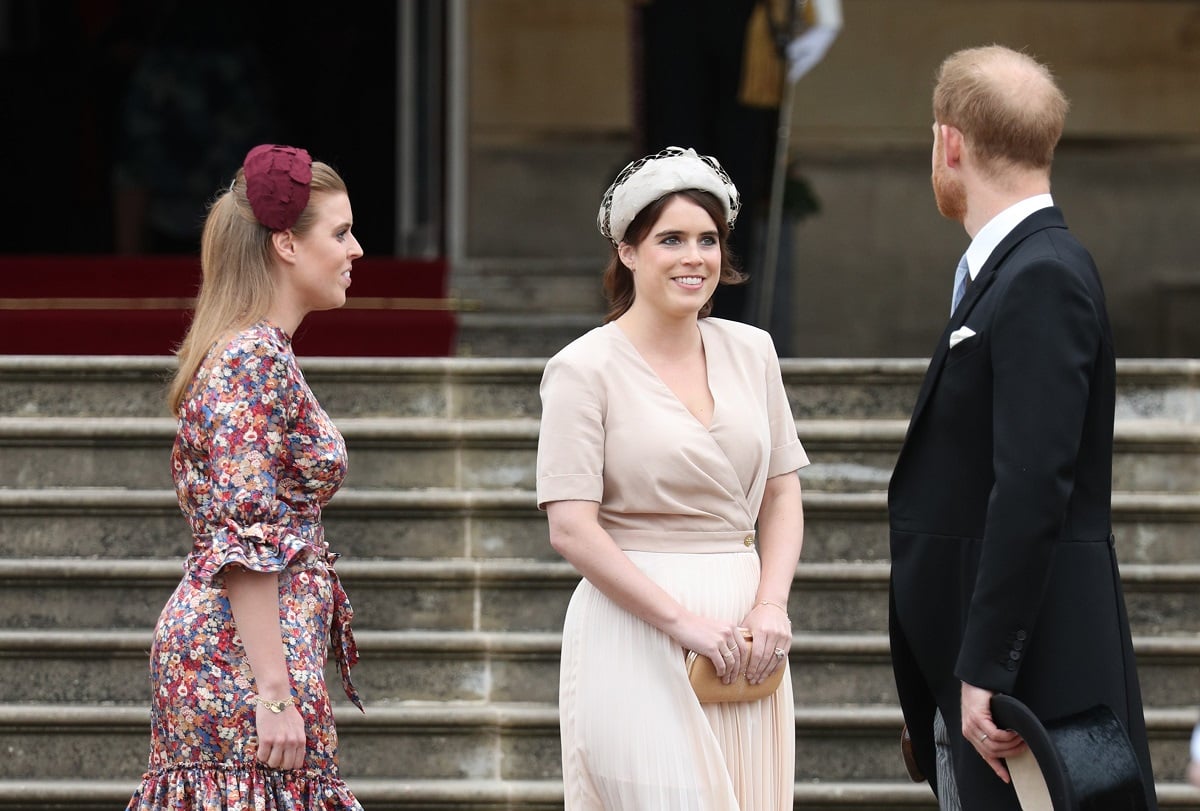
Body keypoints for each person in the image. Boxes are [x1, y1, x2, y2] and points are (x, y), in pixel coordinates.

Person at [887, 45, 1157, 810]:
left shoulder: (1041, 273)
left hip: (1027, 679)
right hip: (985, 671)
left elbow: (1035, 481)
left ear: (950, 143)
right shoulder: (1016, 266)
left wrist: (987, 669)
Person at [536, 146, 808, 809]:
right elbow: (571, 528)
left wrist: (771, 604)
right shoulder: (582, 369)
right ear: (628, 252)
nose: (695, 257)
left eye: (708, 239)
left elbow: (781, 492)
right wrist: (683, 622)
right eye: (671, 239)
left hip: (748, 638)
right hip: (635, 632)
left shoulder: (754, 351)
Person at [125, 144, 365, 810]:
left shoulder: (262, 354)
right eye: (341, 232)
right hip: (237, 661)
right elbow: (246, 533)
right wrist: (274, 691)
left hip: (253, 654)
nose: (357, 250)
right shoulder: (250, 358)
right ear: (286, 244)